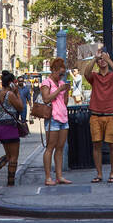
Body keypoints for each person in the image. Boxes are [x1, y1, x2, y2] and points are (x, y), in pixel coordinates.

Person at [79, 47, 113, 182]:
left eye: (103, 59)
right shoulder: (94, 77)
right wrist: (95, 57)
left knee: (112, 145)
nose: (102, 61)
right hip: (95, 114)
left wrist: (108, 60)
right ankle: (99, 174)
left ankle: (112, 174)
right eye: (100, 60)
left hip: (111, 114)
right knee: (96, 145)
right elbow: (86, 72)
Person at [40, 58, 72, 187]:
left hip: (63, 117)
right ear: (53, 70)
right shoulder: (46, 83)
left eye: (63, 74)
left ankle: (59, 176)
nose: (61, 76)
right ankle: (48, 177)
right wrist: (59, 90)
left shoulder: (62, 83)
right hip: (52, 118)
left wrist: (66, 92)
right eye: (60, 73)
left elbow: (64, 103)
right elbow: (46, 99)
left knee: (60, 148)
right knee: (50, 147)